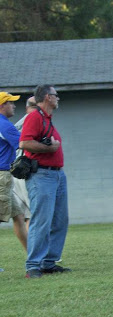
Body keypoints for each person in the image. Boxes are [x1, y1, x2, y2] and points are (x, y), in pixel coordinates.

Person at [20, 85, 71, 278]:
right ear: (48, 97)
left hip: (57, 175)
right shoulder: (34, 117)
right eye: (56, 96)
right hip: (42, 176)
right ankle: (33, 265)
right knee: (42, 220)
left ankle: (48, 263)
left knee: (59, 220)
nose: (58, 99)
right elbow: (24, 143)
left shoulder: (46, 119)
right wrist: (49, 149)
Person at [0, 92, 28, 252]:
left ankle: (34, 258)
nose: (14, 105)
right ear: (2, 105)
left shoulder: (3, 123)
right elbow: (23, 143)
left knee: (18, 217)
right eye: (11, 102)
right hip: (2, 177)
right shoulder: (3, 124)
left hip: (4, 177)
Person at [13, 96, 37, 230]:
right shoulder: (31, 120)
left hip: (15, 171)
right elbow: (25, 144)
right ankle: (36, 249)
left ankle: (31, 249)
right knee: (34, 213)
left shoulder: (19, 122)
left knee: (24, 216)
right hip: (24, 171)